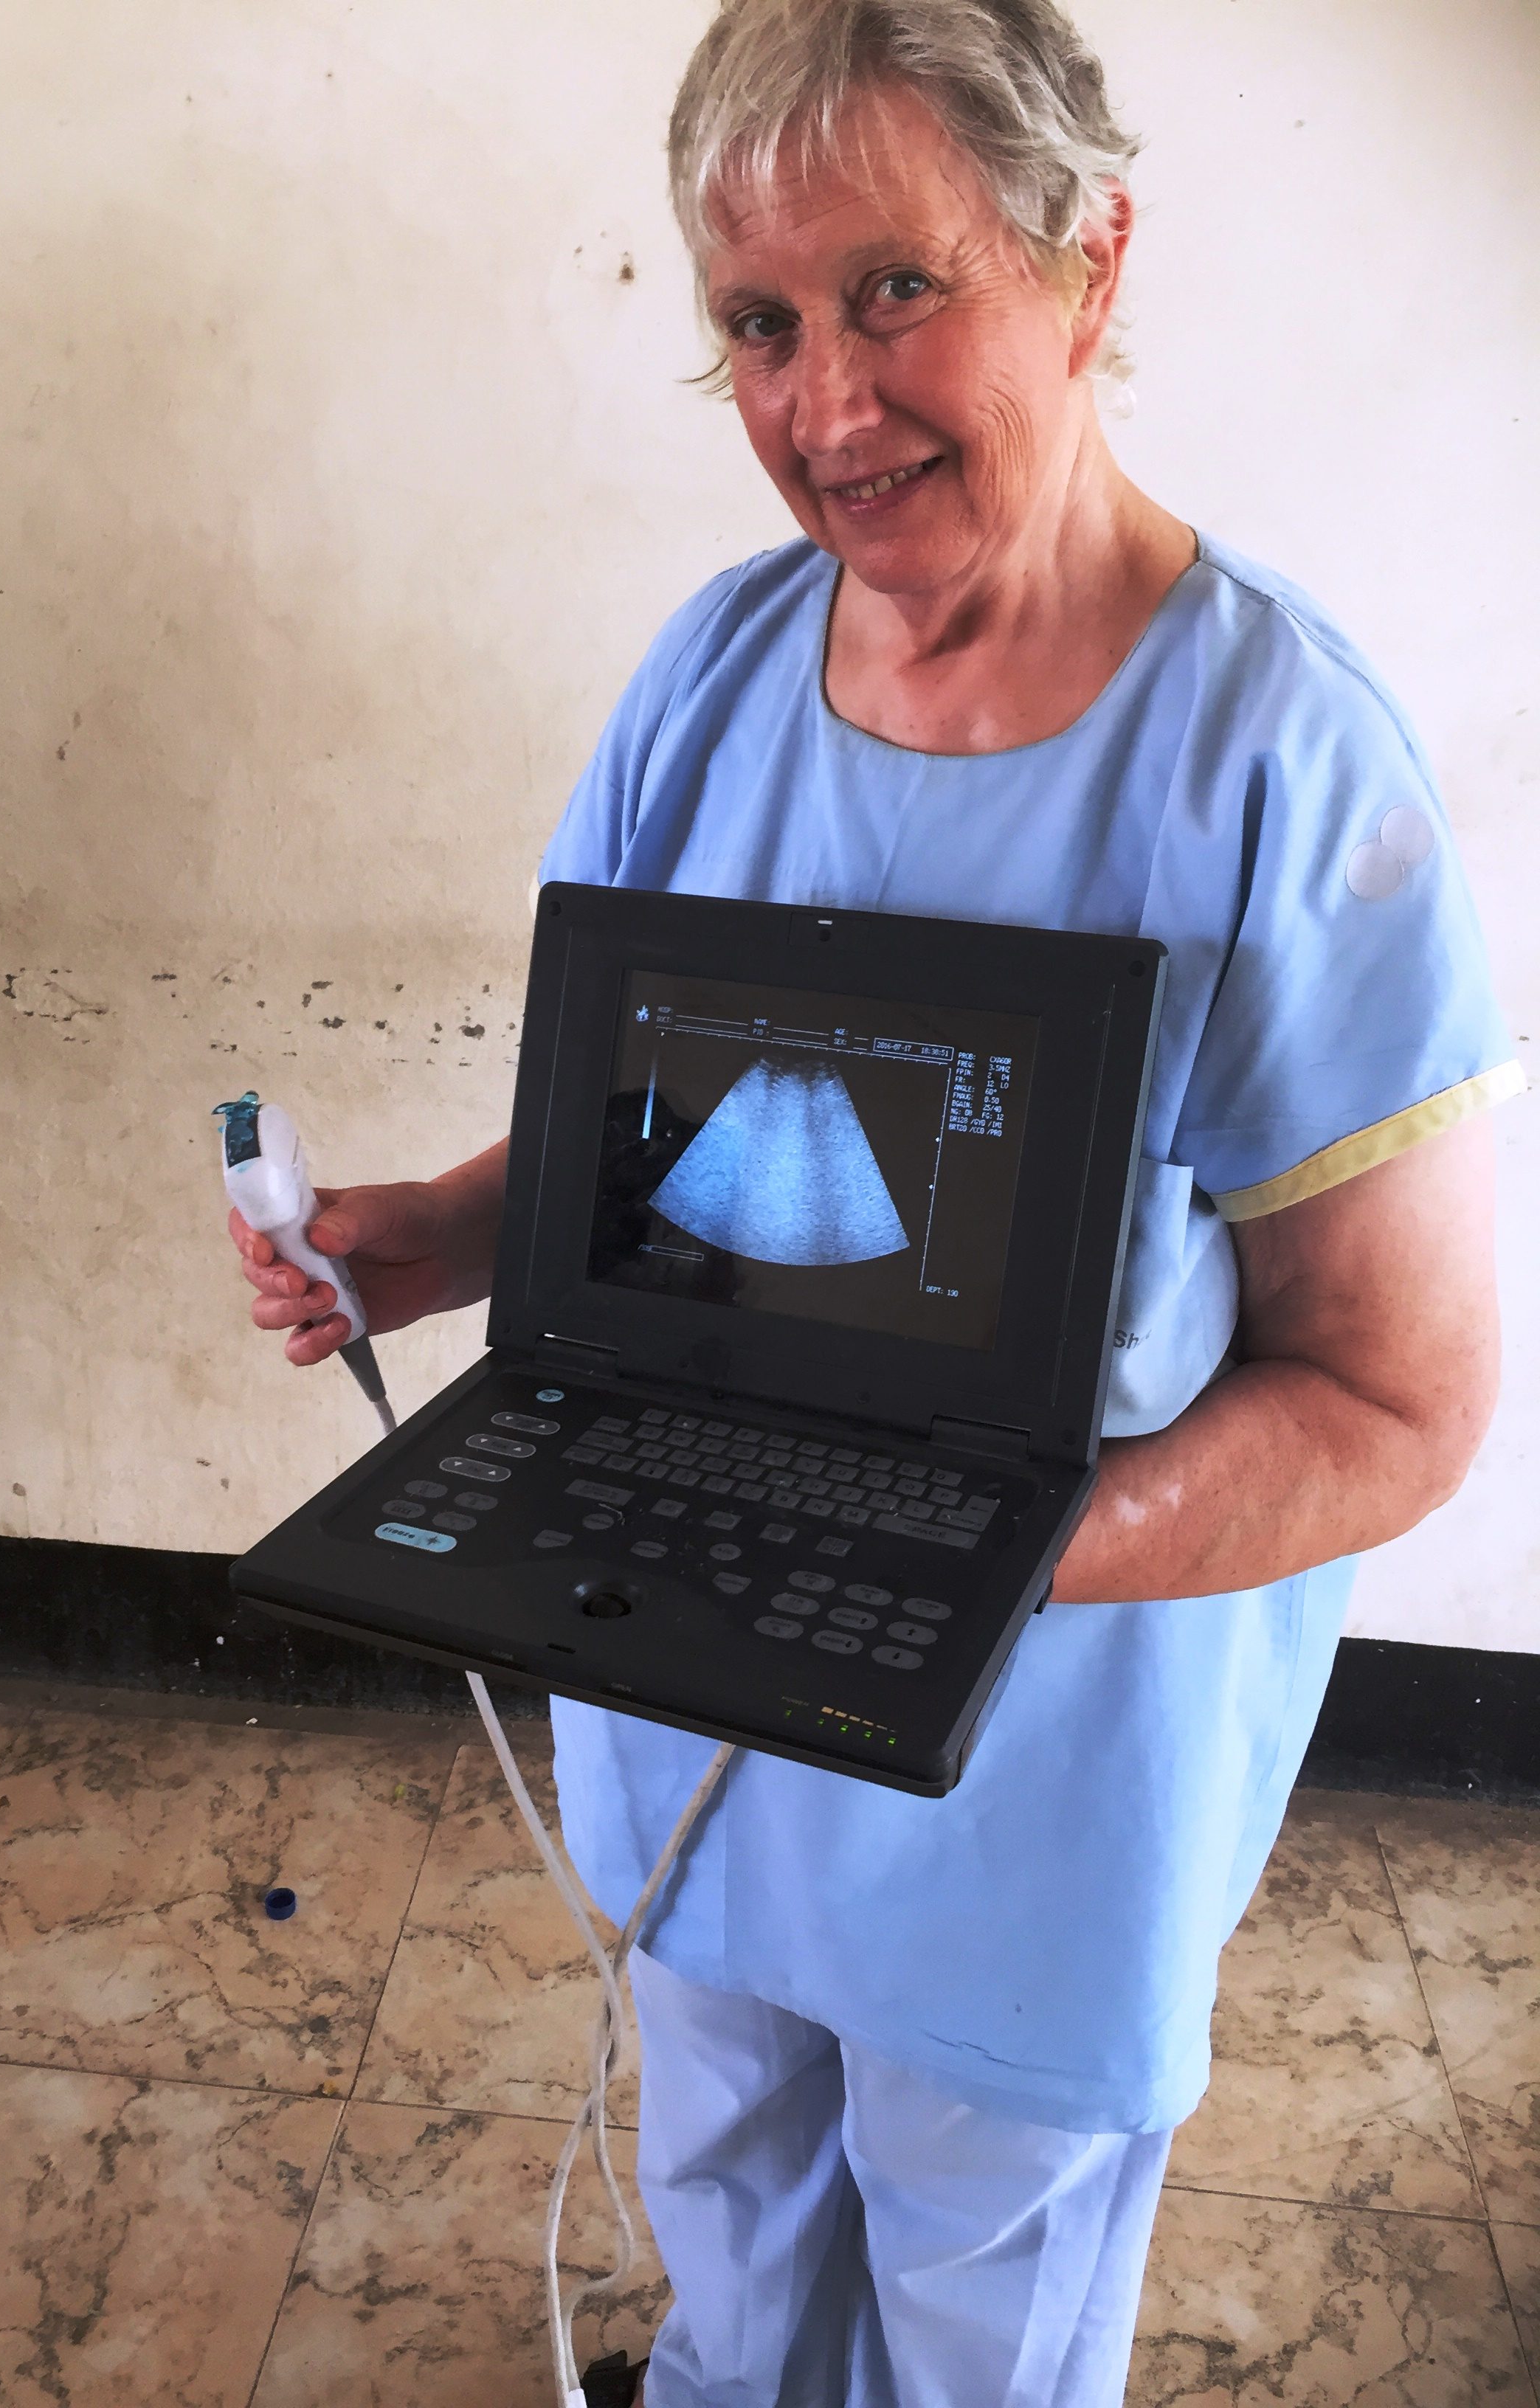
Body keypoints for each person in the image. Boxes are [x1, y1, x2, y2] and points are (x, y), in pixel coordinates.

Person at [232, 1, 1520, 2398]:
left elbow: (1399, 1400)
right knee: (729, 2219)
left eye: (899, 290)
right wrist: (436, 1225)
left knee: (974, 2305)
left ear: (1088, 256)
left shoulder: (1275, 773)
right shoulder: (711, 683)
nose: (829, 407)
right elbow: (669, 1160)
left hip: (1025, 1803)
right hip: (692, 1693)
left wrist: (998, 1560)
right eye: (758, 322)